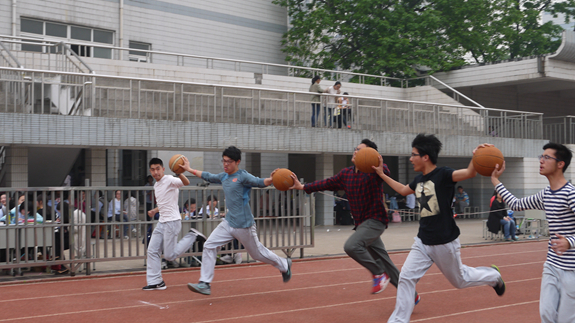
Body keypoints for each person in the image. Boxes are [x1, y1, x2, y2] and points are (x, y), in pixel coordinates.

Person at [376, 134, 505, 323]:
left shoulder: (444, 174)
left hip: (444, 241)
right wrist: (381, 174)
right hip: (422, 241)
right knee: (405, 277)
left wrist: (477, 155)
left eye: (414, 155)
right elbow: (403, 190)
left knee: (460, 280)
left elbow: (470, 172)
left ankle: (494, 276)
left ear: (425, 157)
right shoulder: (419, 179)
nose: (411, 159)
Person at [289, 139, 418, 300]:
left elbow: (384, 170)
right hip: (361, 225)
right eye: (355, 149)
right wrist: (303, 187)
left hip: (375, 221)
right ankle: (411, 294)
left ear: (370, 155)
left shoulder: (375, 172)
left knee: (351, 246)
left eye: (360, 150)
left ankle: (378, 273)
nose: (356, 152)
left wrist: (380, 168)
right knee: (387, 263)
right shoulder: (346, 174)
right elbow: (326, 183)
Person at [186, 146, 291, 295]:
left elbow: (260, 182)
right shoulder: (223, 176)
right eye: (223, 161)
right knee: (209, 245)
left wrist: (272, 179)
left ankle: (284, 264)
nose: (225, 164)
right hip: (228, 222)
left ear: (237, 162)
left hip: (244, 225)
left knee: (257, 254)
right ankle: (205, 283)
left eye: (229, 162)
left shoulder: (243, 176)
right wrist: (189, 169)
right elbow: (208, 176)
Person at [490, 142, 575, 323]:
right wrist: (496, 181)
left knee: (565, 320)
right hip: (552, 264)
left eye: (546, 157)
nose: (541, 161)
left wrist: (569, 241)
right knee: (546, 314)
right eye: (541, 157)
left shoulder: (571, 194)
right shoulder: (546, 194)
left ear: (560, 164)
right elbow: (516, 204)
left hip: (572, 270)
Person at [142, 157, 206, 291]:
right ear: (150, 171)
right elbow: (164, 203)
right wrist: (155, 210)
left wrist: (179, 173)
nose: (155, 172)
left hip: (172, 222)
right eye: (153, 170)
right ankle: (156, 281)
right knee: (152, 251)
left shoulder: (170, 179)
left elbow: (186, 182)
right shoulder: (156, 185)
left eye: (158, 169)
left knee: (170, 256)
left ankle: (192, 236)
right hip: (161, 222)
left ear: (163, 169)